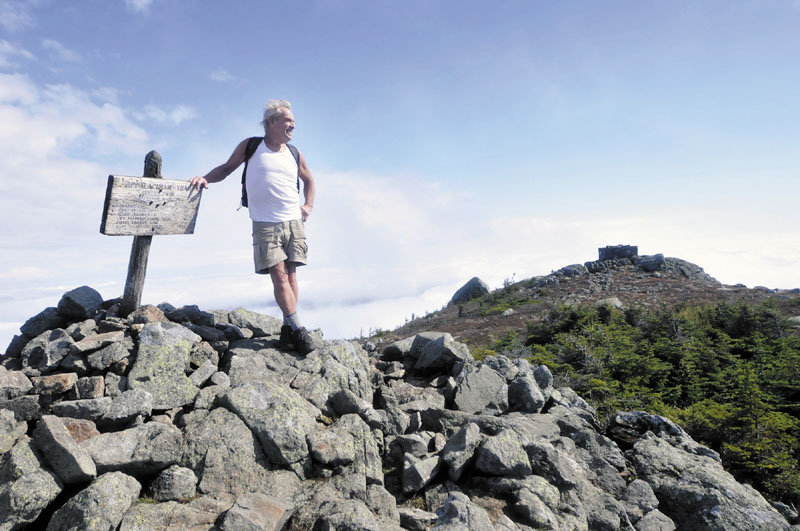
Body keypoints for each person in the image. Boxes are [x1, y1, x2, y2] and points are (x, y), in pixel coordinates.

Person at [190, 99, 321, 354]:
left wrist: (308, 206)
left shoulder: (294, 153)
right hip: (266, 224)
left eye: (293, 121)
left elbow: (309, 180)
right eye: (288, 120)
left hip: (293, 221)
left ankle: (288, 330)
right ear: (272, 122)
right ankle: (299, 329)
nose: (293, 125)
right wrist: (205, 178)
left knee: (291, 275)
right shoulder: (251, 147)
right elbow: (227, 168)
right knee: (279, 276)